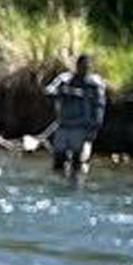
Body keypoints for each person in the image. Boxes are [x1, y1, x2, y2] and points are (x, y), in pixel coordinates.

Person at [44, 52, 109, 181]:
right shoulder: (65, 79)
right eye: (81, 65)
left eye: (86, 66)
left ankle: (75, 184)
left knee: (77, 160)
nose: (83, 68)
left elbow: (100, 106)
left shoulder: (95, 83)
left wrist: (95, 126)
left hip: (82, 127)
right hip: (63, 125)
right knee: (58, 159)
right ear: (76, 65)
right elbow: (49, 91)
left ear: (90, 67)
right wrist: (62, 92)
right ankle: (57, 183)